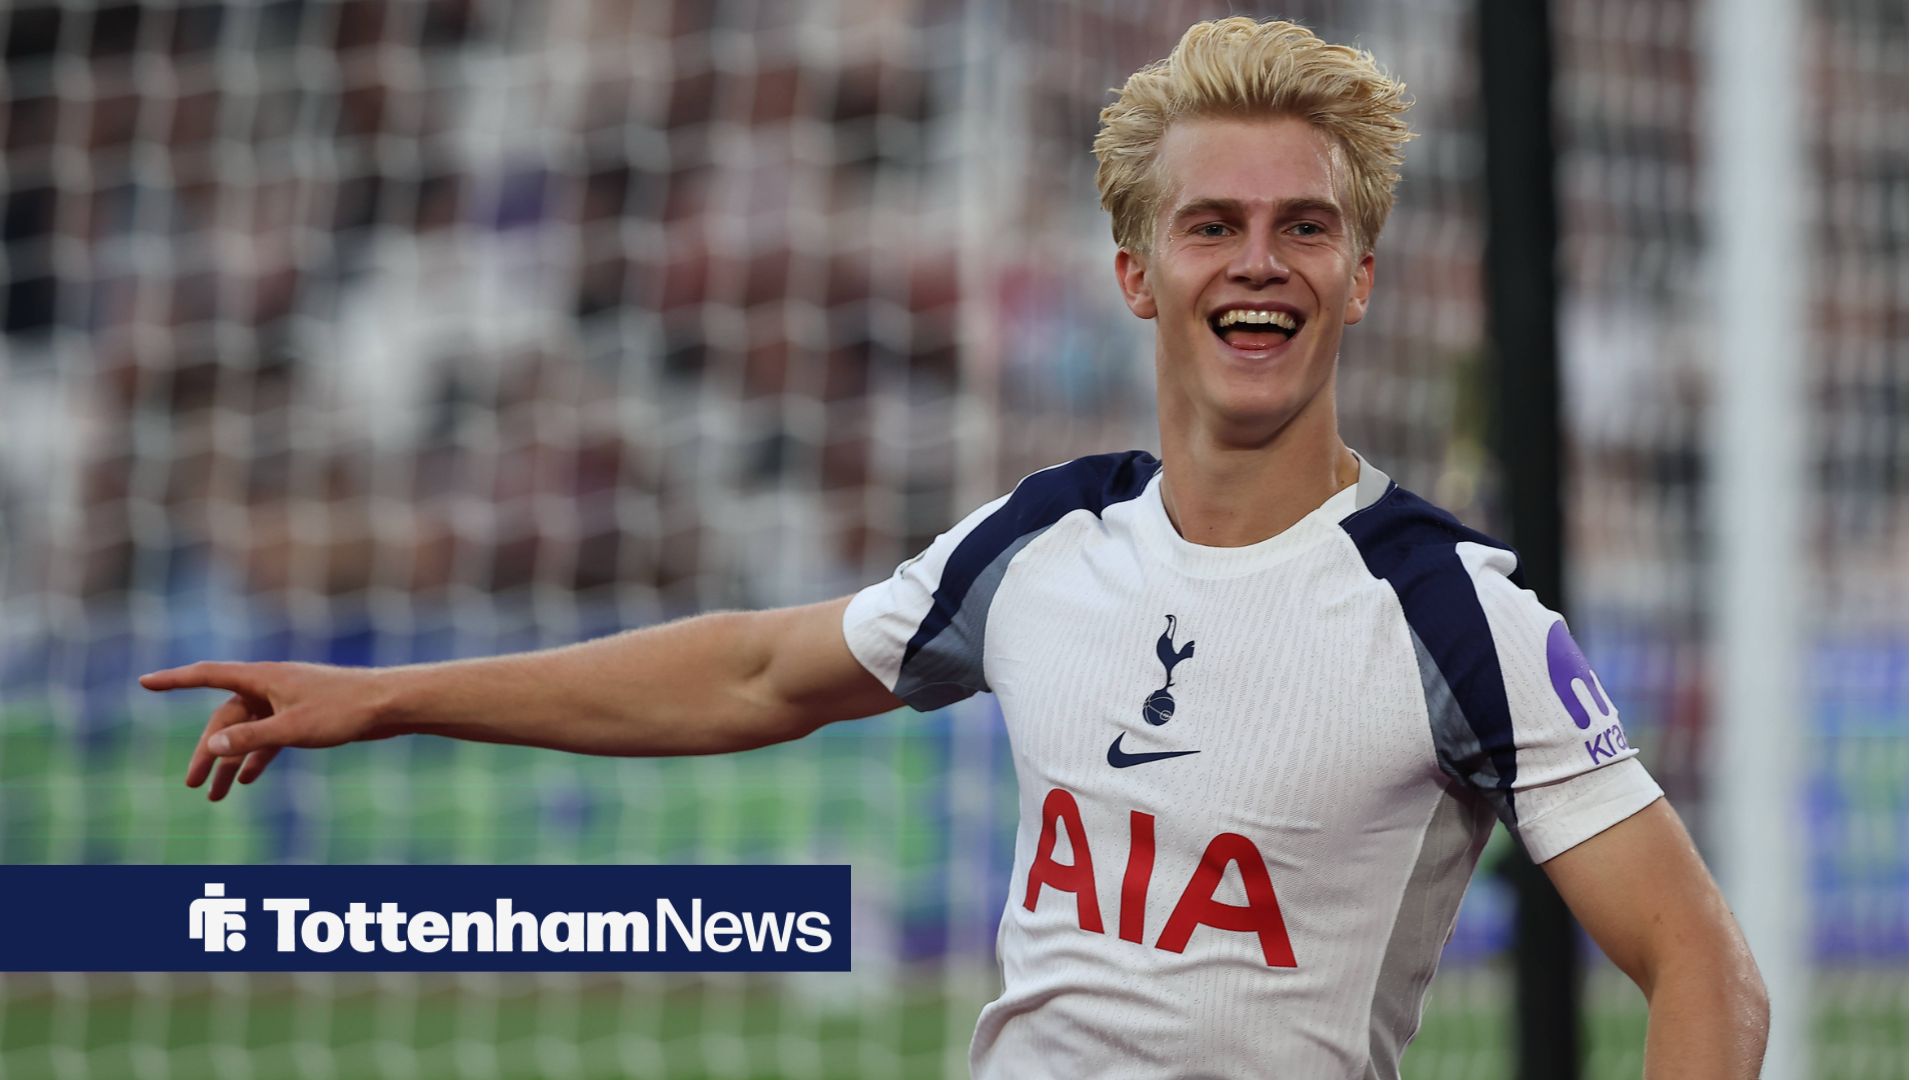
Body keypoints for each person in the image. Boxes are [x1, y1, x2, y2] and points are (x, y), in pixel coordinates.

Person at [142, 17, 1768, 1079]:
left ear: (1361, 278)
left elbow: (1705, 970)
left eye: (1306, 228)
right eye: (1211, 225)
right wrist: (390, 697)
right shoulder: (1043, 537)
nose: (1257, 263)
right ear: (1136, 273)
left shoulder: (1451, 609)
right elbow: (755, 672)